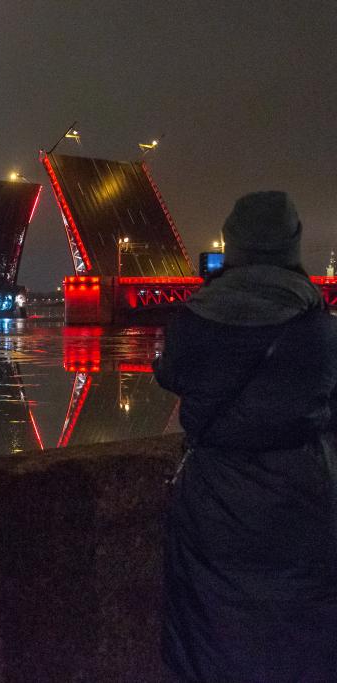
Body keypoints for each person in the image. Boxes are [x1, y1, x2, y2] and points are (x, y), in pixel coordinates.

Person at [154, 191, 337, 681]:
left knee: (211, 625)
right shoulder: (320, 330)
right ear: (292, 244)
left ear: (231, 243)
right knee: (301, 628)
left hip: (213, 498)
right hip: (301, 500)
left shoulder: (191, 321)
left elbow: (170, 374)